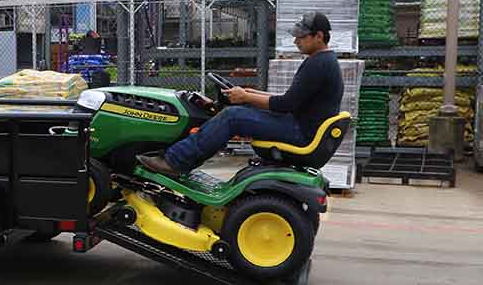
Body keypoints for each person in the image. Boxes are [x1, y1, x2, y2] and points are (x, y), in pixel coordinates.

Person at [138, 12, 344, 177]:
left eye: (301, 37)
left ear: (319, 36)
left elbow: (285, 104)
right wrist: (250, 93)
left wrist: (246, 97)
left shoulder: (318, 64)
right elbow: (293, 99)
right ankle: (183, 158)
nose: (296, 41)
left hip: (299, 132)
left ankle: (175, 161)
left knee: (232, 116)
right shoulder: (324, 61)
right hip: (300, 124)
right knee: (240, 110)